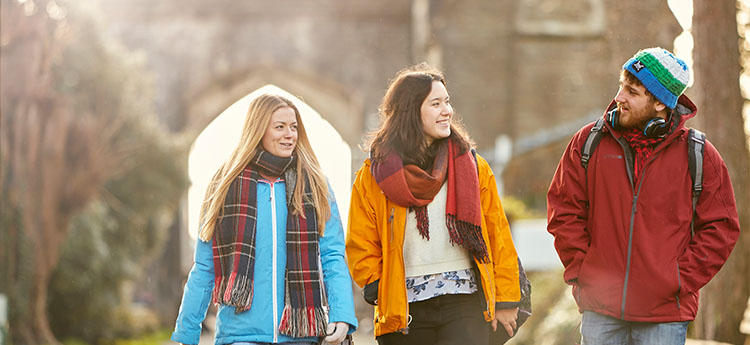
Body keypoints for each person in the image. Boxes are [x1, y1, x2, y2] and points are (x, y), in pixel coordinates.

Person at [547, 47, 740, 345]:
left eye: (632, 91)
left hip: (664, 315)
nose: (619, 97)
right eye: (622, 85)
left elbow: (721, 228)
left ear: (661, 104)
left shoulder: (700, 154)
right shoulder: (588, 142)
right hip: (601, 309)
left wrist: (677, 280)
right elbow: (564, 211)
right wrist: (587, 272)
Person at [345, 63, 522, 345]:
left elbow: (497, 235)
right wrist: (376, 283)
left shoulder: (473, 167)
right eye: (436, 103)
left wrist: (506, 298)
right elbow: (360, 238)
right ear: (410, 111)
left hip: (465, 302)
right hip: (405, 308)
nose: (447, 111)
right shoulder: (373, 175)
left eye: (447, 102)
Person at [171, 94, 357, 345]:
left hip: (301, 335)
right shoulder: (224, 184)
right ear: (258, 129)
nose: (289, 134)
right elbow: (205, 266)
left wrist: (342, 314)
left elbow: (333, 255)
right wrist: (187, 333)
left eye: (294, 127)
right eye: (279, 127)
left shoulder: (315, 184)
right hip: (240, 335)